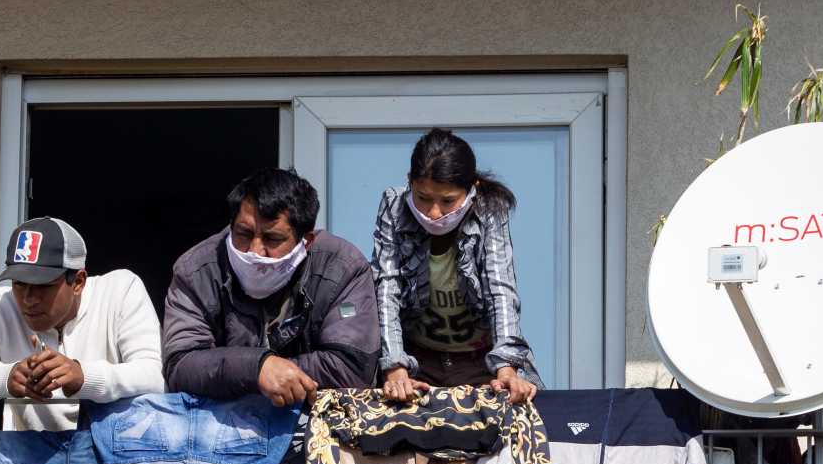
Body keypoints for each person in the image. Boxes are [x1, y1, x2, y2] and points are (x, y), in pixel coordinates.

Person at [161, 168, 379, 405]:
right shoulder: (196, 271)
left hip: (313, 417)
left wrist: (276, 372)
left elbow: (352, 367)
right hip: (221, 418)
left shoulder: (343, 268)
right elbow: (180, 365)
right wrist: (255, 369)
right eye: (243, 233)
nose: (255, 251)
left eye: (272, 239)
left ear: (306, 241)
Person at [0, 216, 164, 429]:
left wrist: (83, 376)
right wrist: (6, 377)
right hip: (33, 460)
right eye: (19, 284)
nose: (28, 299)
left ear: (78, 281)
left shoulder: (120, 291)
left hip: (113, 454)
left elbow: (155, 377)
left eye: (42, 286)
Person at [371, 128, 540, 404]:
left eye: (448, 201)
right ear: (409, 182)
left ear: (473, 189)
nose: (434, 212)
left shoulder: (489, 210)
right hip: (417, 362)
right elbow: (386, 286)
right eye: (423, 198)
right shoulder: (393, 206)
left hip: (479, 362)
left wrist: (506, 367)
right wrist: (395, 367)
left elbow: (501, 289)